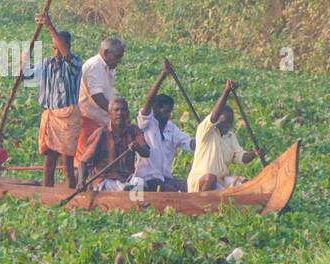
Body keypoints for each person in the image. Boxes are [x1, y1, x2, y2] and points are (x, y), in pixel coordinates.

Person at [22, 13, 83, 187]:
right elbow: (27, 76)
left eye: (60, 47)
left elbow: (67, 56)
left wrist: (49, 25)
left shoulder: (74, 64)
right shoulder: (46, 64)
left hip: (68, 118)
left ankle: (71, 194)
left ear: (68, 47)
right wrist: (23, 62)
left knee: (67, 165)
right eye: (54, 48)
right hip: (51, 118)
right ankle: (46, 194)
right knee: (49, 163)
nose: (57, 51)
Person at [133, 60, 194, 192]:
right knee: (170, 191)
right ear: (155, 109)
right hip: (147, 178)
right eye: (166, 112)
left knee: (191, 187)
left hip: (165, 177)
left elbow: (189, 143)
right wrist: (163, 75)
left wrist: (205, 137)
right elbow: (148, 100)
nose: (168, 116)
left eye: (170, 112)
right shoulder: (146, 123)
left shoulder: (171, 129)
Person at [187, 80, 258, 192]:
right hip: (201, 182)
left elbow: (241, 157)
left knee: (246, 184)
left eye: (230, 122)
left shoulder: (231, 137)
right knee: (210, 178)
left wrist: (254, 154)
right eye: (224, 121)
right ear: (218, 120)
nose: (227, 125)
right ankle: (204, 206)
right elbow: (214, 116)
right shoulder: (206, 130)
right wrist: (227, 91)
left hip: (221, 180)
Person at [76, 35, 125, 172]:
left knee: (98, 159)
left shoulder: (108, 67)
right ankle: (81, 190)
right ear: (106, 53)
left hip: (100, 120)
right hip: (89, 119)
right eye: (117, 57)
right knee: (86, 159)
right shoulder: (95, 66)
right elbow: (97, 95)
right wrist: (114, 112)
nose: (119, 61)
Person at [78, 96, 149, 190]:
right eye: (116, 110)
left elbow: (146, 152)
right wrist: (81, 182)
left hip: (126, 179)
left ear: (127, 113)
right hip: (105, 180)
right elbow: (83, 161)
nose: (120, 113)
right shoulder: (101, 133)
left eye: (123, 110)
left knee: (141, 184)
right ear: (110, 114)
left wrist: (138, 147)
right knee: (127, 189)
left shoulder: (134, 130)